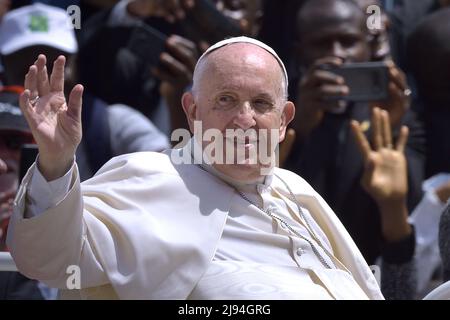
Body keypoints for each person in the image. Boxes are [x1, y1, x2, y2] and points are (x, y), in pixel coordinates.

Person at [6, 36, 383, 299]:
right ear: (192, 111)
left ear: (283, 120)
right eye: (226, 99)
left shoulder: (295, 191)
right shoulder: (149, 177)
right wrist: (56, 161)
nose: (244, 119)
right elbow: (48, 259)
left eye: (261, 104)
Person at [285, 0, 425, 267]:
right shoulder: (277, 117)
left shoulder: (398, 115)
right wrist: (298, 130)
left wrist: (392, 128)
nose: (336, 54)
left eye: (348, 41)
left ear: (368, 47)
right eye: (321, 44)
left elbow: (413, 210)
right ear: (300, 51)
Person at [0, 3, 170, 181]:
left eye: (56, 64)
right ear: (5, 69)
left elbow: (167, 170)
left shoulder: (111, 123)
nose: (43, 76)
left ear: (75, 65)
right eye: (27, 68)